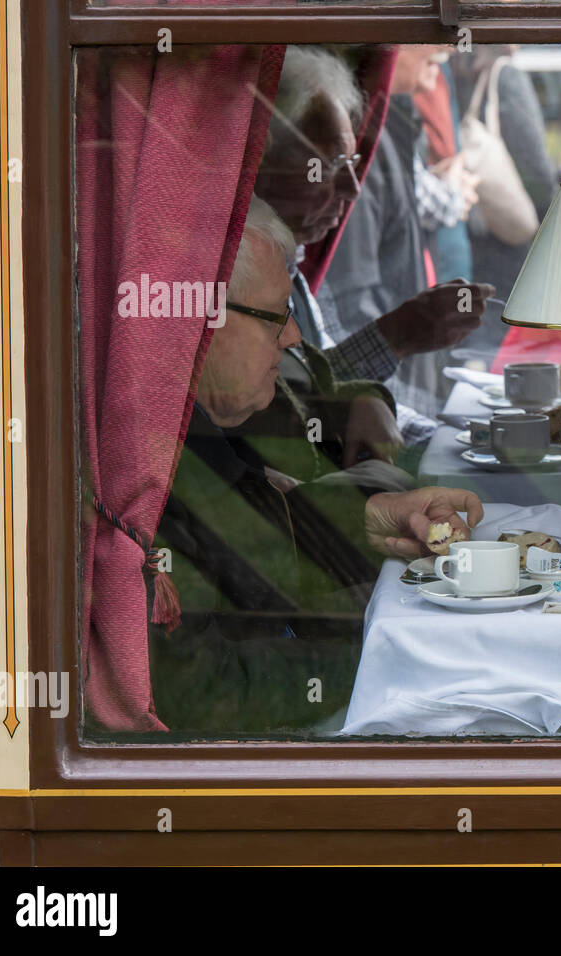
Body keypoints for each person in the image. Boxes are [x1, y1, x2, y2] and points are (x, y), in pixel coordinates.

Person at [150, 198, 484, 734]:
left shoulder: (200, 435)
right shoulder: (144, 477)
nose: (292, 338)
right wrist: (391, 652)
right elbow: (205, 689)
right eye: (274, 319)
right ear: (199, 319)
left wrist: (370, 517)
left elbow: (251, 548)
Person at [255, 45, 492, 434]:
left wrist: (444, 439)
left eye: (350, 164)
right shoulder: (234, 283)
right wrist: (397, 335)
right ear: (261, 163)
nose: (351, 189)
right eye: (329, 165)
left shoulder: (290, 262)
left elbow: (328, 384)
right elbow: (290, 410)